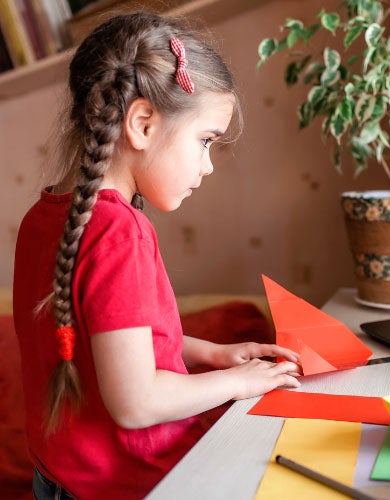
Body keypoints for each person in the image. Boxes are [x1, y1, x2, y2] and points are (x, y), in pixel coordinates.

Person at [12, 13, 301, 499]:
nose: (208, 165)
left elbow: (111, 337)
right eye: (205, 140)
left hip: (59, 477)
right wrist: (237, 382)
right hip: (129, 486)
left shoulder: (44, 218)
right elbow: (137, 402)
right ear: (142, 123)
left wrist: (210, 354)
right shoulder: (119, 234)